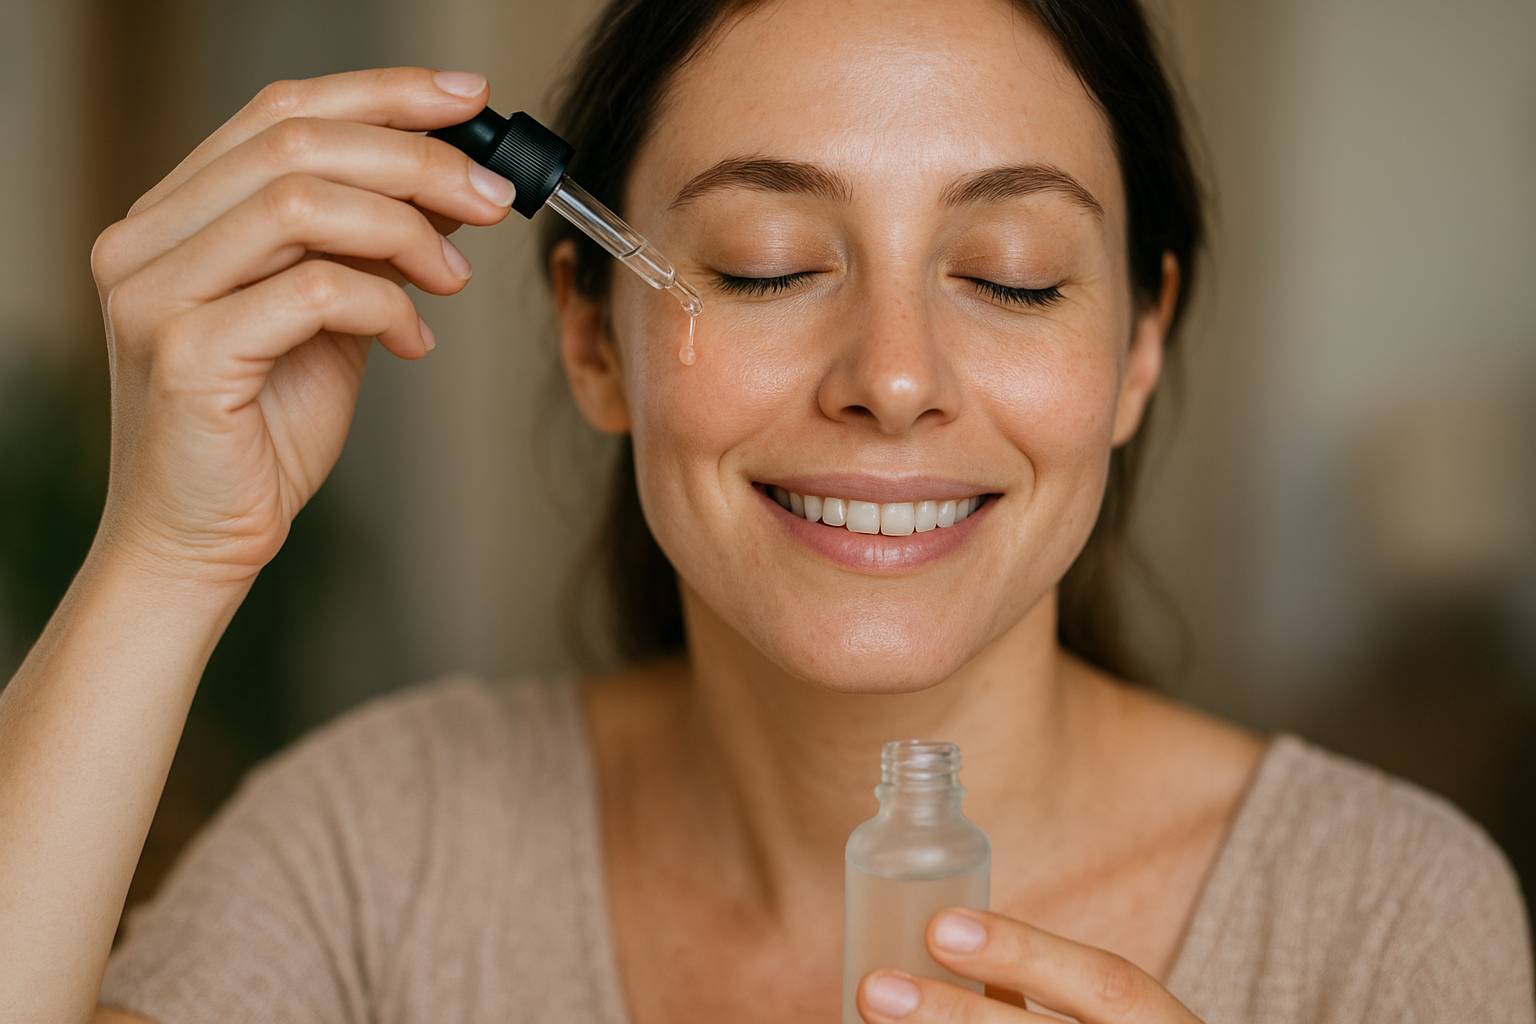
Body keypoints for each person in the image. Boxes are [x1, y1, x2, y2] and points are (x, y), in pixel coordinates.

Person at [2, 1, 1530, 1021]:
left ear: (1138, 344)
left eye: (1010, 276)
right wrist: (163, 560)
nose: (893, 376)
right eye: (765, 263)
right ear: (592, 336)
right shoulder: (374, 855)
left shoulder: (1382, 921)